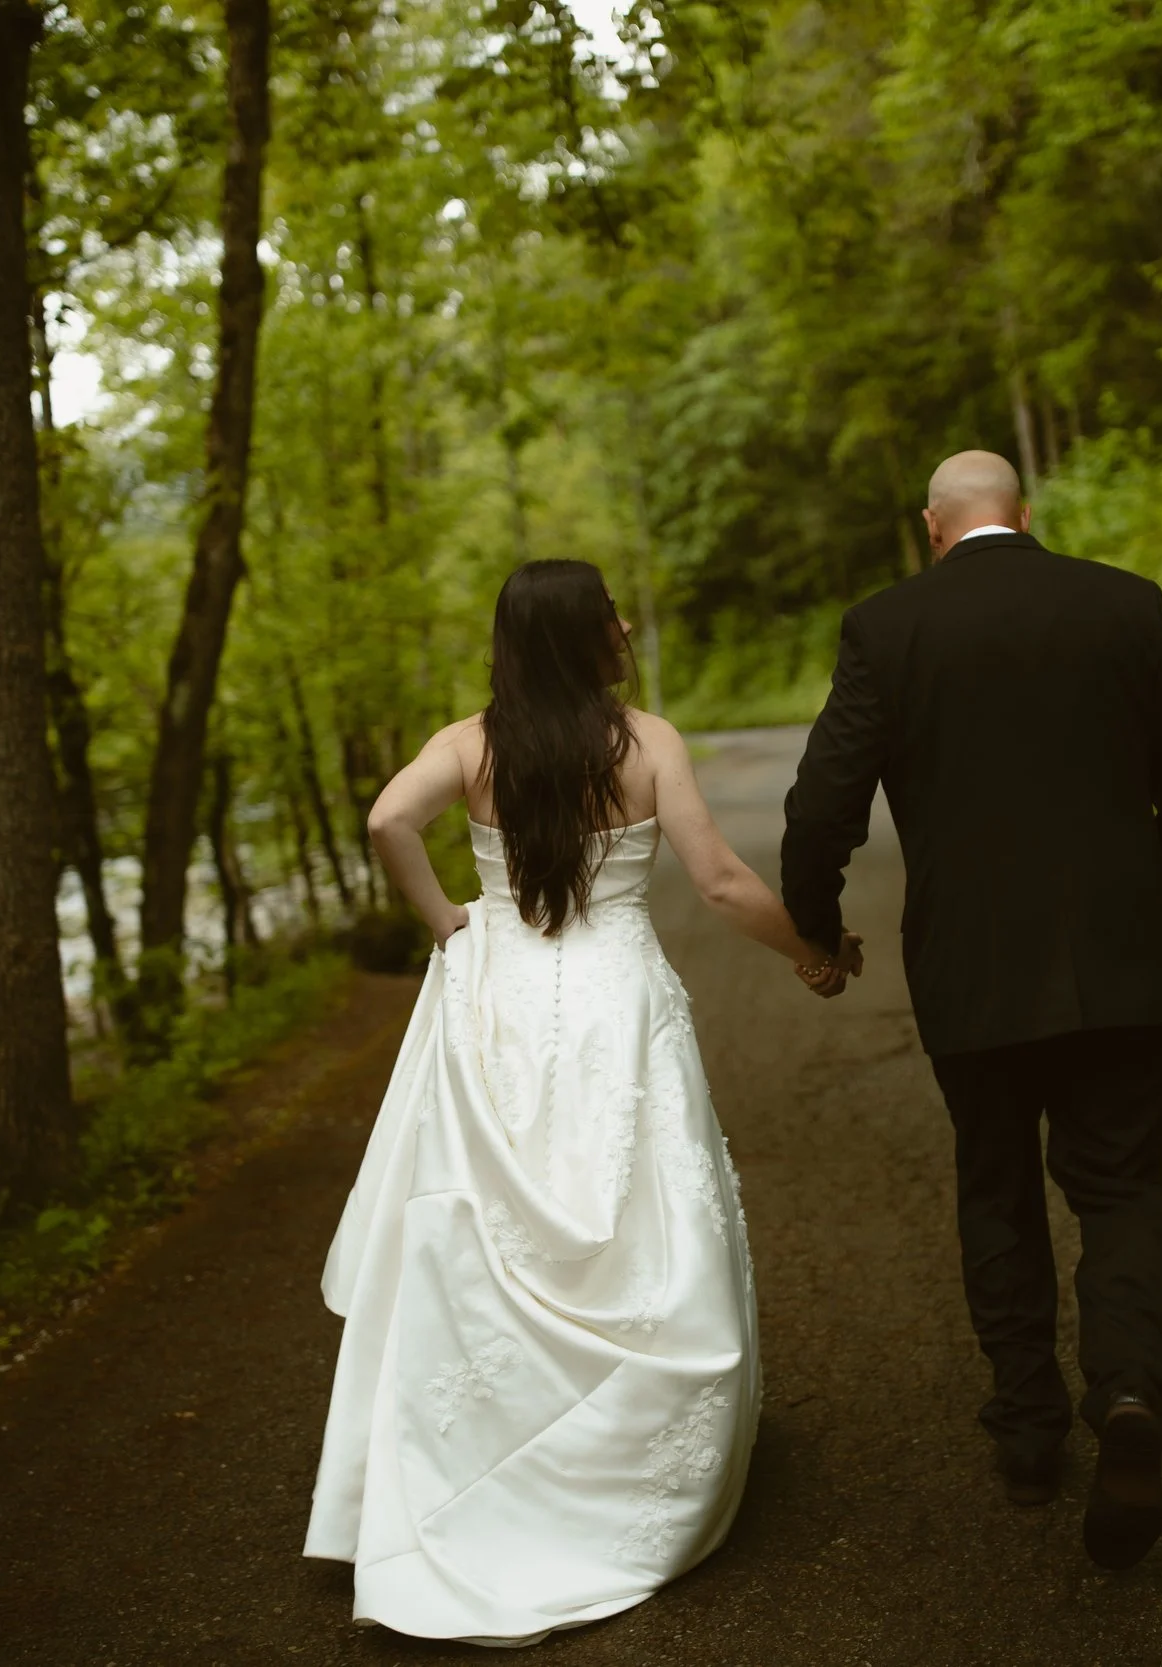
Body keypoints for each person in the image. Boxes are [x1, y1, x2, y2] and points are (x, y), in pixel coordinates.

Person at [306, 558, 859, 1645]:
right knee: (643, 1213)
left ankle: (472, 1458)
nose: (619, 621)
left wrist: (451, 921)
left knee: (490, 1229)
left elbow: (385, 821)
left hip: (499, 993)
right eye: (607, 609)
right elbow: (718, 882)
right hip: (616, 999)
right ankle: (622, 1459)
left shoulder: (470, 743)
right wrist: (812, 952)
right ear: (586, 634)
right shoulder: (644, 741)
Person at [780, 449, 1162, 1572]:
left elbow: (822, 801)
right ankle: (1127, 1386)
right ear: (1022, 516)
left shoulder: (887, 627)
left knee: (996, 1182)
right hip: (1122, 961)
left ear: (931, 526)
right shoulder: (1122, 603)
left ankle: (1029, 1433)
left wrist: (816, 925)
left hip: (972, 969)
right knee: (1123, 1181)